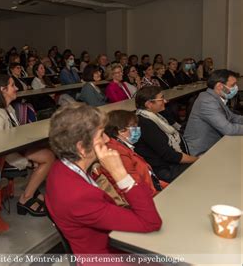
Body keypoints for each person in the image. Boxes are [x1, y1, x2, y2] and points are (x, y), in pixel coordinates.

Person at [45, 103, 162, 256]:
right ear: (81, 148)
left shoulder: (59, 167)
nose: (107, 139)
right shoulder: (79, 197)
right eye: (101, 134)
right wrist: (120, 173)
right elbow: (151, 222)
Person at [0, 75, 55, 217]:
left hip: (12, 149)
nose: (17, 88)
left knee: (49, 150)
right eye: (13, 85)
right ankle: (25, 199)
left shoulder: (8, 108)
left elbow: (13, 136)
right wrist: (26, 163)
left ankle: (31, 190)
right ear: (3, 90)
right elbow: (0, 148)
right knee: (48, 157)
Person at [134, 86, 198, 182]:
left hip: (170, 162)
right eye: (161, 99)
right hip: (164, 169)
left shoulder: (154, 116)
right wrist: (196, 160)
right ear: (149, 104)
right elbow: (169, 155)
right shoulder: (144, 124)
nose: (165, 101)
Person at [105, 110, 168, 196]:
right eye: (133, 126)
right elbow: (137, 186)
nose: (137, 129)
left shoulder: (123, 146)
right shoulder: (119, 153)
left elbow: (148, 177)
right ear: (121, 130)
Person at [184, 69, 243, 156]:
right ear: (220, 86)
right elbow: (228, 129)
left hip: (214, 143)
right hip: (201, 151)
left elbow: (232, 117)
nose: (236, 88)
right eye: (233, 85)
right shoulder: (207, 101)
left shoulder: (216, 97)